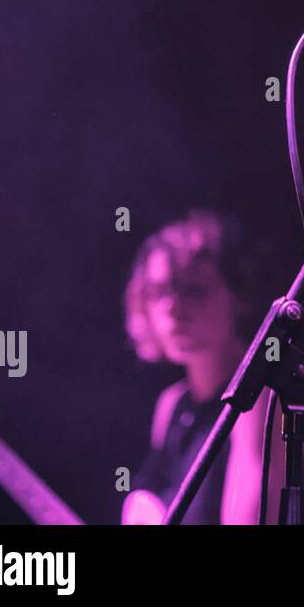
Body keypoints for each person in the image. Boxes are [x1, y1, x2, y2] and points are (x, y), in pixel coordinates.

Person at [123, 209, 285, 524]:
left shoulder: (259, 402)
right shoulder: (172, 404)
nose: (173, 307)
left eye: (194, 289)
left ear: (240, 294)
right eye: (158, 292)